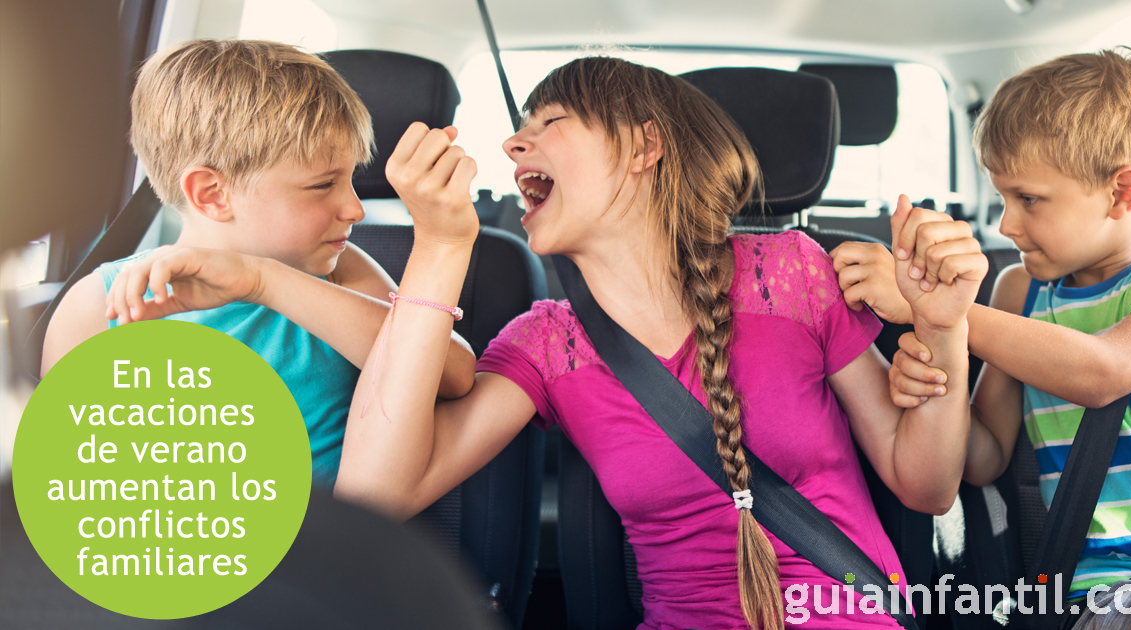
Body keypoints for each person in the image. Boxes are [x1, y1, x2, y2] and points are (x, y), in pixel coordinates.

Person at [327, 57, 986, 629]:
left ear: (644, 146)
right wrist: (442, 247)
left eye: (549, 121)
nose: (512, 144)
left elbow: (924, 486)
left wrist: (943, 326)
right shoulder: (549, 345)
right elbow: (375, 497)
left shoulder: (790, 274)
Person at [832, 48, 1131, 629]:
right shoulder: (1018, 291)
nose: (1005, 224)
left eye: (1028, 199)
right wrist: (940, 374)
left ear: (1121, 192)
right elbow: (986, 459)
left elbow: (1106, 371)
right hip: (1118, 592)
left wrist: (947, 314)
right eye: (1001, 197)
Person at [42, 39, 476, 487]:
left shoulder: (340, 270)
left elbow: (454, 374)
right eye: (323, 185)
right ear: (212, 195)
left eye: (351, 180)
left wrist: (267, 282)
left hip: (321, 547)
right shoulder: (98, 307)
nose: (355, 208)